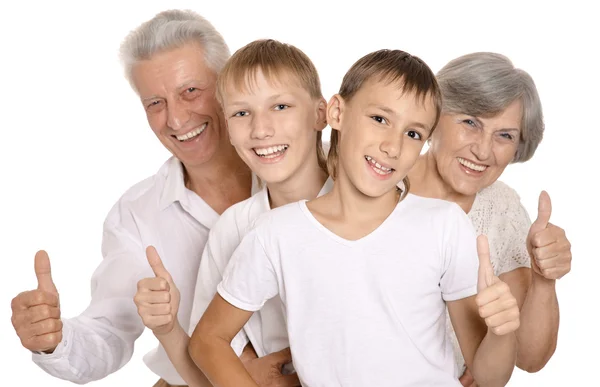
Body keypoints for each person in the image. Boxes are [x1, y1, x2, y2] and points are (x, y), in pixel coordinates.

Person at [190, 49, 521, 386]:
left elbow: (488, 378)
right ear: (337, 112)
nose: (392, 147)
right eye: (380, 119)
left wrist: (502, 333)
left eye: (413, 134)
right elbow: (207, 341)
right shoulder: (277, 233)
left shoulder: (444, 225)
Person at [9, 9, 291, 387]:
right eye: (155, 103)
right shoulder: (136, 215)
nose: (176, 119)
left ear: (227, 84)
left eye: (190, 91)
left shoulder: (304, 169)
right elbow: (108, 330)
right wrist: (55, 340)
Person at [134, 38, 332, 386]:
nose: (261, 129)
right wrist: (166, 329)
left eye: (281, 106)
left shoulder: (364, 198)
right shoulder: (233, 229)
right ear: (227, 125)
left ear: (321, 114)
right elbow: (207, 355)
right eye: (242, 113)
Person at [407, 52, 573, 386]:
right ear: (435, 114)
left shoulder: (503, 208)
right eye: (471, 122)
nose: (483, 151)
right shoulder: (378, 177)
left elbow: (529, 358)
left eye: (505, 135)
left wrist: (544, 280)